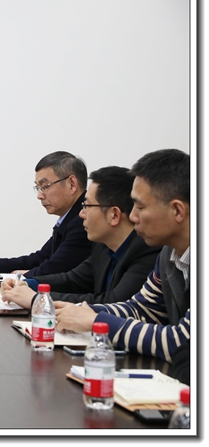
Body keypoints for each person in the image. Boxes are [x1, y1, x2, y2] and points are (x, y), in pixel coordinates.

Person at [55, 149, 190, 362]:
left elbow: (184, 342)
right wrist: (77, 311)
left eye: (140, 207)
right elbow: (142, 309)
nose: (133, 216)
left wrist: (97, 321)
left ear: (177, 211)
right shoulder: (168, 255)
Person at [0, 166, 160, 309]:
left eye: (87, 206)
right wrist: (27, 284)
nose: (81, 214)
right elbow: (72, 280)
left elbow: (114, 302)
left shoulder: (147, 251)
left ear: (114, 215)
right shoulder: (102, 246)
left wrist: (37, 299)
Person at [0, 151, 93, 277]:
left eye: (45, 186)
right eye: (38, 188)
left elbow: (55, 268)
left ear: (72, 184)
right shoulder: (70, 218)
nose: (39, 196)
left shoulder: (85, 220)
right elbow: (41, 257)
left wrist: (22, 275)